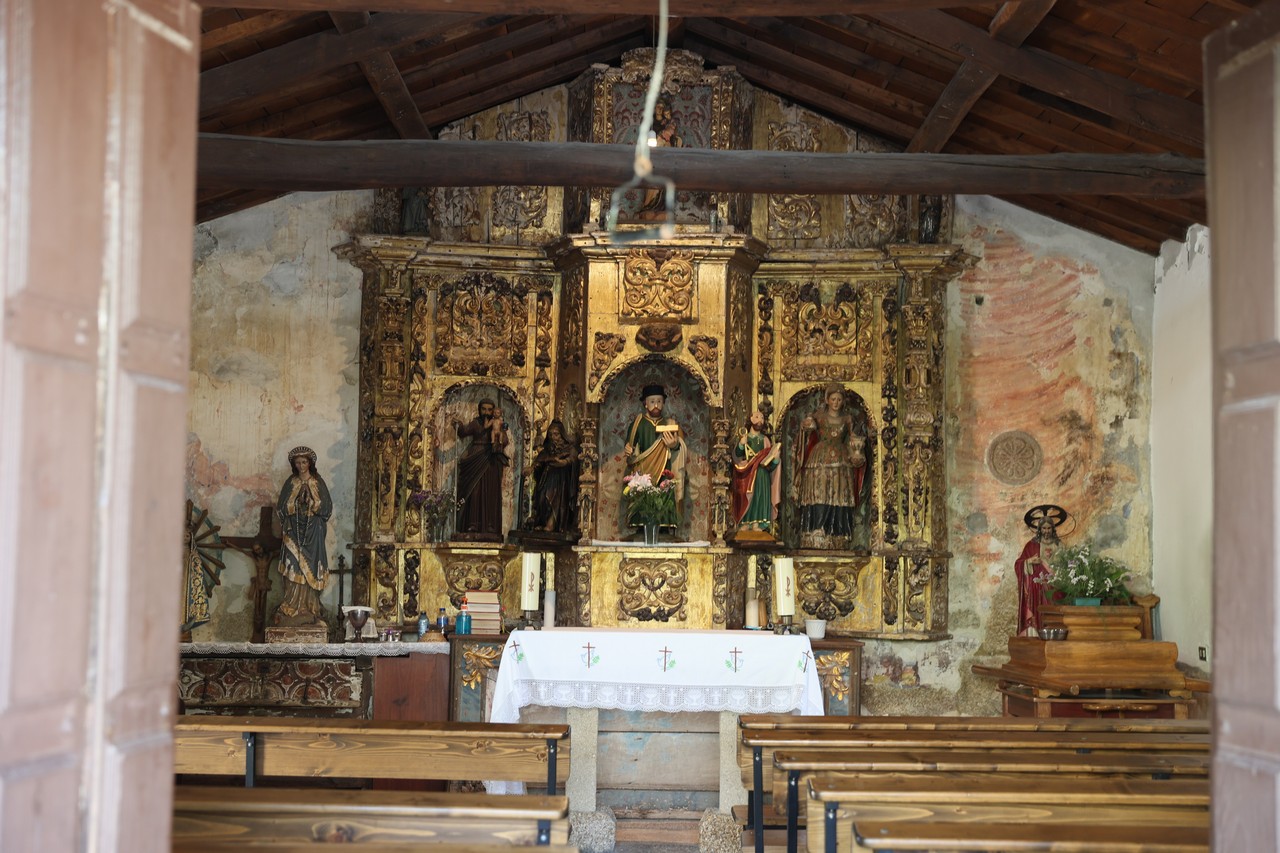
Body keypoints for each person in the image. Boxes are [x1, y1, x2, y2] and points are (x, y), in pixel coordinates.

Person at [797, 385, 867, 547]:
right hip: (820, 457)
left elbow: (854, 439)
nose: (836, 403)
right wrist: (806, 425)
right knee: (819, 491)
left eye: (839, 400)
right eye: (833, 399)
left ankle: (838, 533)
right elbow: (806, 429)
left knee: (839, 493)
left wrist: (857, 450)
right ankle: (817, 528)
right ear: (827, 400)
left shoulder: (848, 419)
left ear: (843, 402)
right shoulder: (819, 416)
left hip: (841, 460)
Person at [273, 446, 332, 628]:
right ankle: (291, 606)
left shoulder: (317, 482)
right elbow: (281, 508)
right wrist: (296, 503)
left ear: (310, 463)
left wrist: (312, 504)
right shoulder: (291, 482)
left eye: (304, 462)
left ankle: (310, 608)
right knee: (292, 568)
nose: (301, 466)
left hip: (313, 532)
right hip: (293, 533)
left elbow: (327, 509)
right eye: (297, 463)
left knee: (310, 570)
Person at [623, 384, 686, 527]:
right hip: (643, 472)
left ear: (663, 403)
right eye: (652, 402)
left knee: (664, 501)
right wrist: (629, 451)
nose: (656, 405)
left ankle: (665, 528)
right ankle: (640, 528)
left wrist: (674, 445)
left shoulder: (670, 424)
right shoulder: (637, 424)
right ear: (645, 403)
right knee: (642, 506)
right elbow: (630, 451)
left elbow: (680, 448)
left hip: (665, 471)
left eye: (659, 401)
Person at [455, 398, 510, 540]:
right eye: (483, 409)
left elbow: (505, 441)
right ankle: (472, 524)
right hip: (476, 456)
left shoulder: (497, 423)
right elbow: (463, 432)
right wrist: (458, 425)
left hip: (491, 460)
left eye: (489, 409)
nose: (486, 412)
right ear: (479, 410)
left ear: (494, 411)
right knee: (474, 491)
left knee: (490, 491)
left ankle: (490, 526)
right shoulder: (476, 423)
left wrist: (501, 433)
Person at [1016, 504, 1067, 636]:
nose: (1046, 531)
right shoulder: (1032, 545)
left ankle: (1055, 631)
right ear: (1039, 529)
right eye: (1043, 528)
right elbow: (1018, 563)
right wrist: (1029, 562)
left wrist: (1057, 571)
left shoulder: (1059, 545)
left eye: (1049, 528)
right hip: (1037, 589)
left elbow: (1066, 564)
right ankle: (1035, 631)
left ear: (1053, 529)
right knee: (1039, 607)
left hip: (1055, 586)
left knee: (1055, 611)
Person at [731, 410, 781, 536]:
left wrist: (775, 459)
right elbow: (737, 456)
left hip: (762, 475)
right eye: (757, 417)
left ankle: (757, 523)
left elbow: (770, 465)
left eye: (763, 418)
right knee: (747, 496)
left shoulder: (765, 440)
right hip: (748, 473)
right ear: (751, 419)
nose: (760, 420)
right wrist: (742, 445)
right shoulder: (746, 437)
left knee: (760, 497)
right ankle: (745, 522)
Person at [528, 419, 579, 533]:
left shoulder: (569, 448)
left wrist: (563, 463)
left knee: (555, 500)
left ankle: (552, 524)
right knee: (542, 499)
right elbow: (539, 460)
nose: (553, 437)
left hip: (561, 481)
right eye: (550, 434)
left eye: (556, 434)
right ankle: (543, 521)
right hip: (547, 478)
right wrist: (531, 468)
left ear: (562, 435)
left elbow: (573, 458)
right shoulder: (547, 449)